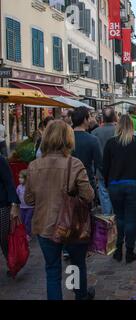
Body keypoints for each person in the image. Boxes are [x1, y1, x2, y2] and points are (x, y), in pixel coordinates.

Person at [24, 120, 95, 300]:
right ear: (68, 139)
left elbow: (29, 199)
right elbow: (88, 195)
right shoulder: (75, 164)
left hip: (44, 225)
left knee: (52, 271)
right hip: (72, 224)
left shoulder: (34, 166)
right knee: (77, 265)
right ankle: (80, 295)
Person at [103, 115, 136, 263]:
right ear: (132, 126)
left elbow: (105, 167)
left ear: (118, 126)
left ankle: (118, 250)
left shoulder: (111, 143)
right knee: (131, 220)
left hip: (115, 185)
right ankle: (129, 252)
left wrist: (107, 183)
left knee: (120, 218)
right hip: (134, 184)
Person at [91, 107, 117, 216]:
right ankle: (116, 218)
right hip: (117, 170)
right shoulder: (119, 131)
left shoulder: (95, 132)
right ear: (114, 117)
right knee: (116, 195)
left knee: (104, 194)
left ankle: (107, 219)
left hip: (101, 171)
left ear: (103, 118)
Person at [71, 107, 102, 191]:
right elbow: (99, 163)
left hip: (68, 181)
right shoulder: (93, 139)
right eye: (89, 117)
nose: (90, 120)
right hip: (87, 180)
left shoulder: (65, 139)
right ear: (85, 119)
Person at [0, 154, 20, 269]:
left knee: (4, 238)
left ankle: (11, 262)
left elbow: (9, 182)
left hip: (2, 206)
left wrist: (14, 204)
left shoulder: (1, 160)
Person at [16, 170, 34, 241]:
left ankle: (28, 234)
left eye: (21, 178)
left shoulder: (30, 187)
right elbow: (16, 196)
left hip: (30, 207)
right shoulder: (18, 187)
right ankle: (24, 233)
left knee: (27, 221)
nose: (19, 179)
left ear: (26, 179)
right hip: (22, 207)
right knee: (23, 221)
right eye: (19, 177)